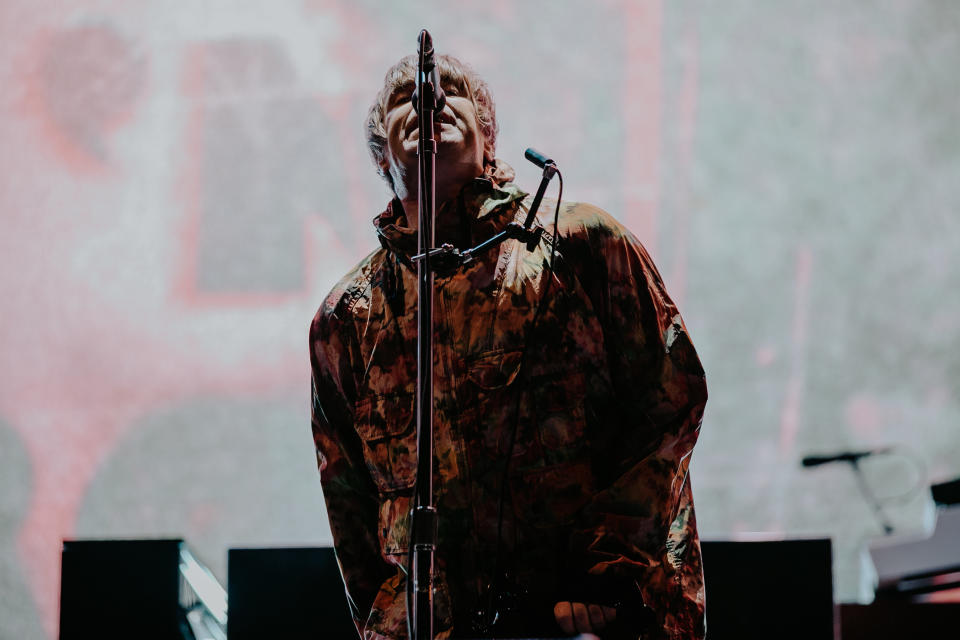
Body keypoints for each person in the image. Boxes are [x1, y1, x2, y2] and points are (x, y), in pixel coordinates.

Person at [310, 53, 707, 640]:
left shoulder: (580, 245)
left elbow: (669, 408)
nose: (428, 99)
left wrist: (608, 576)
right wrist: (391, 622)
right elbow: (349, 507)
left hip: (588, 621)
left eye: (451, 91)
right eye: (403, 100)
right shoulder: (346, 317)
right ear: (378, 154)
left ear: (489, 135)